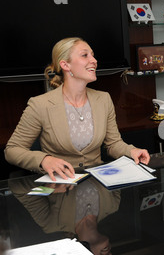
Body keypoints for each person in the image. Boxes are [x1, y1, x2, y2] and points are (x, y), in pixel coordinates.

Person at [4, 37, 150, 181]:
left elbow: (113, 144)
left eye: (93, 55)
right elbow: (12, 150)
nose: (94, 60)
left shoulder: (104, 99)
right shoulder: (40, 105)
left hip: (99, 184)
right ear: (65, 65)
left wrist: (131, 151)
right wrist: (44, 159)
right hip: (61, 190)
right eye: (85, 55)